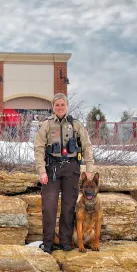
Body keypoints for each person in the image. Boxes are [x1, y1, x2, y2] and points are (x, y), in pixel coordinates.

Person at [33, 93, 95, 252]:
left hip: (71, 169)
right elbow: (39, 147)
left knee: (68, 207)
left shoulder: (76, 125)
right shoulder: (46, 125)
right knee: (49, 207)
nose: (60, 107)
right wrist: (41, 171)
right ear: (53, 107)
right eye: (57, 105)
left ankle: (65, 242)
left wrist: (89, 169)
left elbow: (87, 146)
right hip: (51, 169)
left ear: (67, 106)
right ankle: (48, 243)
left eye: (62, 104)